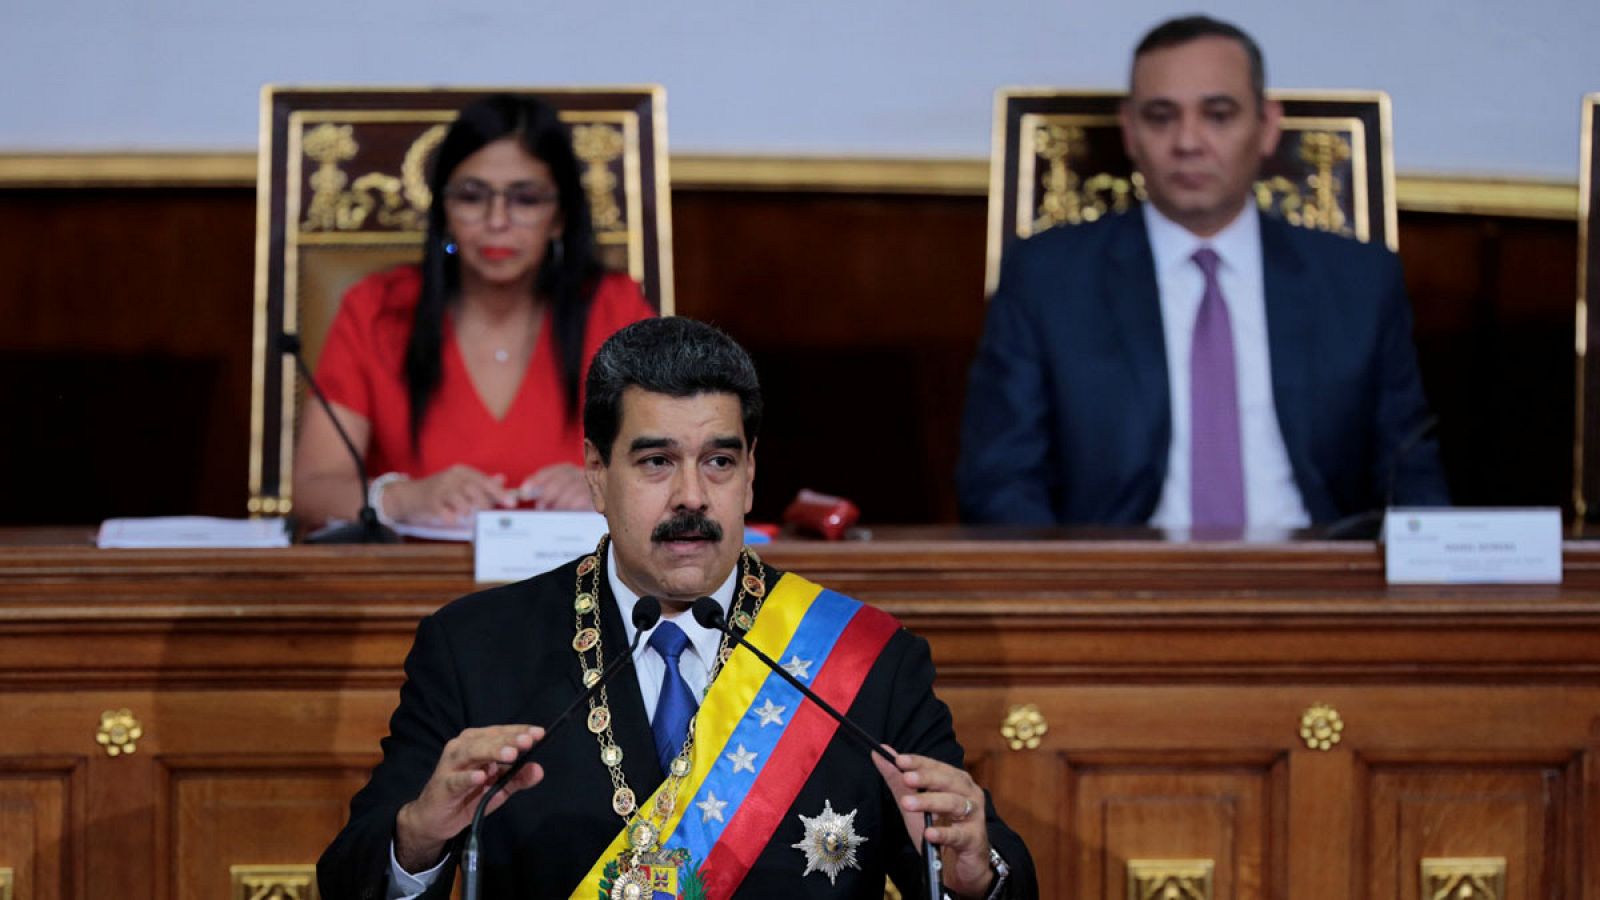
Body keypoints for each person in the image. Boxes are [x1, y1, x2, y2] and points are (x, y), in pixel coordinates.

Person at [317, 317, 1037, 899]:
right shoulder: (474, 649)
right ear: (597, 474)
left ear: (751, 474)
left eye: (719, 462)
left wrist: (975, 874)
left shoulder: (865, 662)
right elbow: (352, 876)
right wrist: (419, 835)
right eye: (656, 462)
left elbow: (981, 873)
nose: (692, 496)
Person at [958, 15, 1450, 531]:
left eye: (1218, 115)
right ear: (1130, 131)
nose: (1188, 141)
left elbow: (1410, 471)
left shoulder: (1359, 281)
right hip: (1119, 585)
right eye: (1161, 116)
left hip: (1319, 580)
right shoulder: (1048, 279)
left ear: (1267, 127)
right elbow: (1000, 478)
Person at [293, 93, 654, 529]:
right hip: (413, 587)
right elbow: (311, 489)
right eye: (471, 196)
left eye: (525, 198)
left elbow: (673, 468)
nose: (496, 220)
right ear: (443, 210)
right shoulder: (377, 308)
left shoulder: (616, 308)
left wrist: (610, 485)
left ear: (559, 216)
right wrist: (401, 497)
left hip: (579, 584)